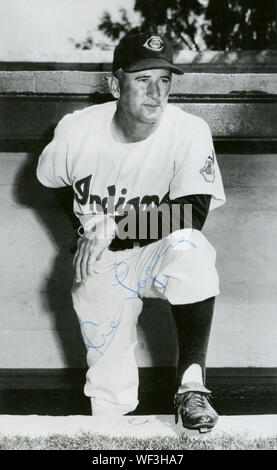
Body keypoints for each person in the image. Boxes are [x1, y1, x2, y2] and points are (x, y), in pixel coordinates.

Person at [36, 32, 226, 432]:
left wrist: (113, 228)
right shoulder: (76, 131)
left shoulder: (188, 130)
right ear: (114, 84)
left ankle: (192, 385)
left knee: (192, 248)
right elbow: (52, 181)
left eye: (164, 80)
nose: (156, 92)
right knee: (108, 393)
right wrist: (84, 233)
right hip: (103, 260)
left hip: (157, 249)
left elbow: (193, 212)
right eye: (142, 80)